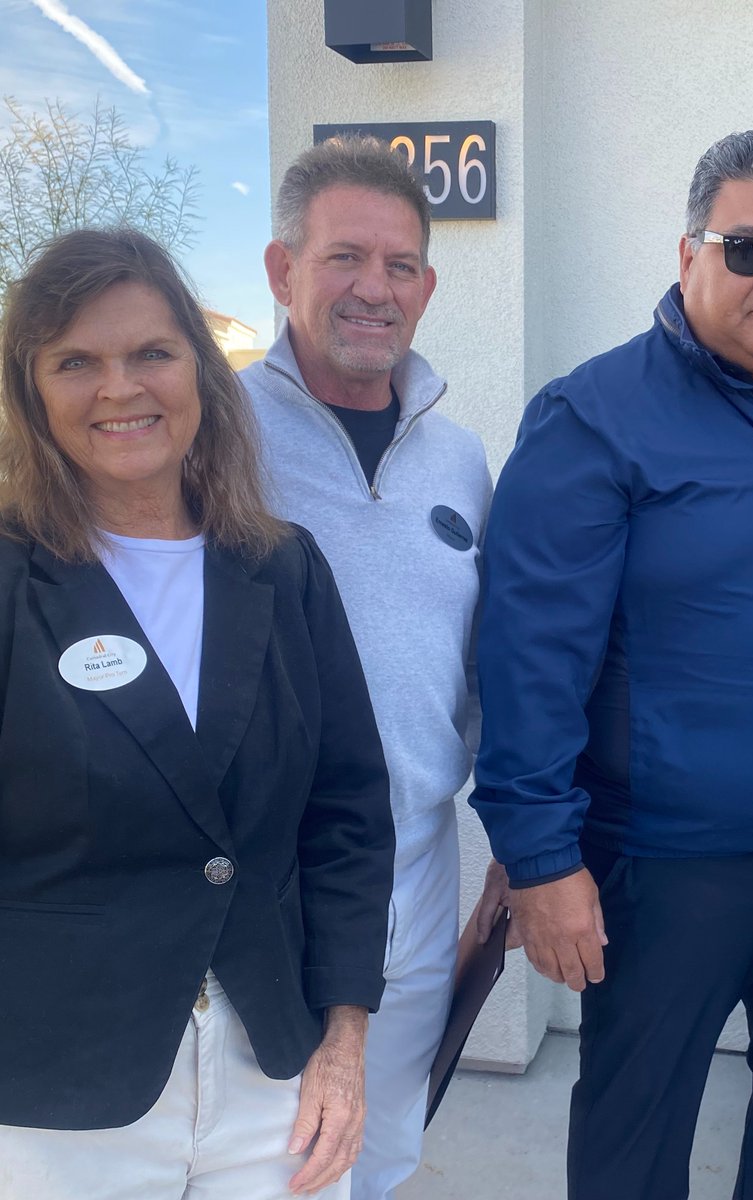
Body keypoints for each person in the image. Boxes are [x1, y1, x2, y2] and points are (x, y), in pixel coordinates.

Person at [470, 128, 753, 1200]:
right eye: (751, 247)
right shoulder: (596, 417)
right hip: (668, 869)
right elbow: (528, 653)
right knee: (635, 1143)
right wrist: (539, 858)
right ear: (689, 257)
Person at [0, 228, 395, 1199]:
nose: (120, 387)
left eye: (151, 353)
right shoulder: (13, 584)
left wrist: (343, 1044)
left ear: (201, 375)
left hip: (275, 1078)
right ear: (30, 389)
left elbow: (348, 813)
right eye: (77, 361)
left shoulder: (282, 567)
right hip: (60, 1098)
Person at [241, 136, 492, 1200]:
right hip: (265, 871)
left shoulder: (461, 458)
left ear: (427, 287)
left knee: (381, 1149)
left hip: (418, 867)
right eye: (345, 258)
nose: (373, 290)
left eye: (399, 267)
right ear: (282, 268)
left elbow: (485, 666)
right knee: (273, 1161)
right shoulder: (213, 434)